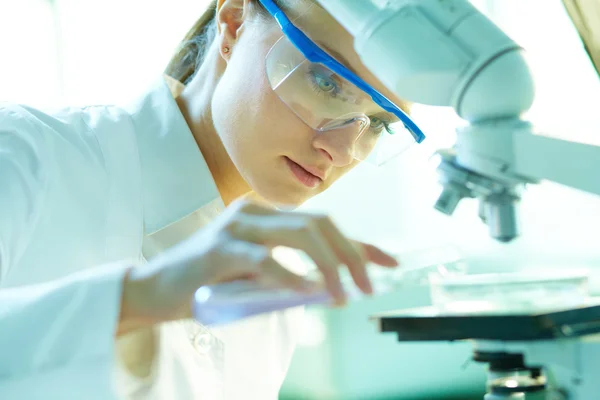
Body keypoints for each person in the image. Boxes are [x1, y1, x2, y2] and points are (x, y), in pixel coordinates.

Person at [0, 0, 424, 398]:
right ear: (234, 22)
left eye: (379, 125)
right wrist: (145, 296)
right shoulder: (24, 156)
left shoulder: (273, 289)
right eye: (326, 82)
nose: (344, 149)